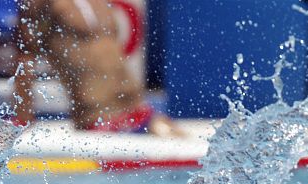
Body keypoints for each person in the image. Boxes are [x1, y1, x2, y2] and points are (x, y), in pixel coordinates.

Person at [14, 0, 183, 136]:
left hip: (137, 109)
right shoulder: (41, 4)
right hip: (98, 118)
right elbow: (25, 59)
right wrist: (23, 119)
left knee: (187, 150)